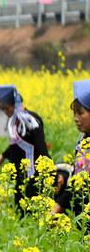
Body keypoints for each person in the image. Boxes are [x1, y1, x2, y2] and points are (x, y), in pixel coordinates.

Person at [0, 85, 50, 209]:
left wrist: (48, 171)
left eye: (7, 109)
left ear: (15, 104)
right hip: (21, 173)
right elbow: (16, 143)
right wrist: (3, 155)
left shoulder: (30, 120)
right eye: (3, 110)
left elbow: (41, 147)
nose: (6, 113)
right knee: (20, 206)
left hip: (34, 174)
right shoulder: (16, 121)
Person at [53, 79, 90, 222]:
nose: (76, 118)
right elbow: (76, 181)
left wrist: (57, 209)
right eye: (74, 113)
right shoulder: (83, 141)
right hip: (81, 215)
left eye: (80, 113)